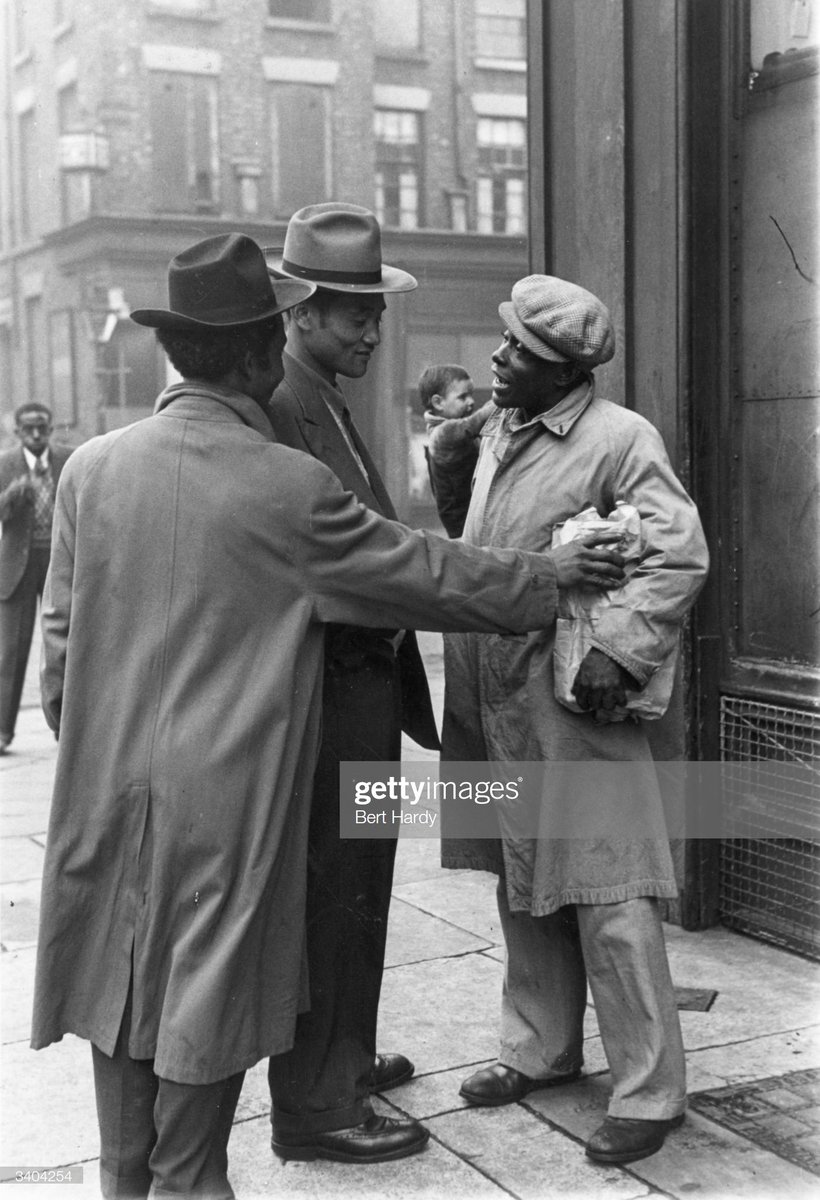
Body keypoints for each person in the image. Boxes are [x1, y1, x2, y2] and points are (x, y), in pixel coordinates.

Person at [31, 235, 626, 1198]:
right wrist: (548, 577)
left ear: (174, 352)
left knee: (117, 997)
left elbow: (60, 650)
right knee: (204, 1030)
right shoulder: (285, 485)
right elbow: (424, 571)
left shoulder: (92, 468)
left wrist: (107, 738)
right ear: (266, 351)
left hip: (103, 796)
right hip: (225, 809)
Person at [438, 274, 710, 1166]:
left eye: (516, 349)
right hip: (491, 692)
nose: (497, 357)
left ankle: (649, 1090)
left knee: (607, 891)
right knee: (522, 878)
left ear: (561, 372)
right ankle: (540, 1048)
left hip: (571, 700)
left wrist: (619, 650)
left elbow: (679, 555)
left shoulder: (620, 438)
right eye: (503, 340)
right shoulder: (495, 429)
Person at [0, 403, 72, 754]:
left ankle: (68, 728)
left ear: (51, 428)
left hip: (59, 562)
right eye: (28, 429)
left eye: (42, 428)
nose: (36, 435)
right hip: (17, 568)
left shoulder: (70, 459)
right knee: (10, 650)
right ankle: (2, 732)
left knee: (66, 646)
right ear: (17, 432)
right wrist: (10, 497)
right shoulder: (3, 465)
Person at [417, 364, 494, 538]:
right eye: (462, 397)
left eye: (471, 395)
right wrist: (499, 400)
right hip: (463, 524)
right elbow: (478, 421)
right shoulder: (442, 434)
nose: (471, 401)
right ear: (438, 403)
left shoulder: (448, 429)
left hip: (468, 519)